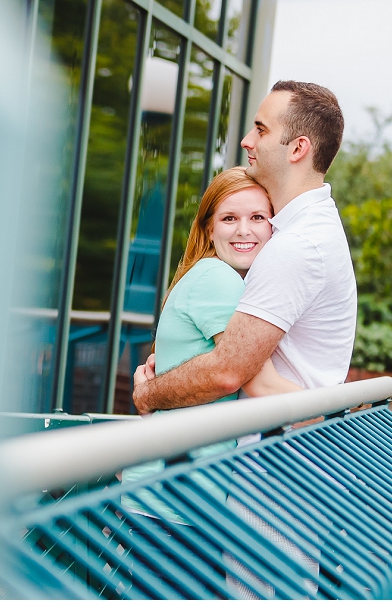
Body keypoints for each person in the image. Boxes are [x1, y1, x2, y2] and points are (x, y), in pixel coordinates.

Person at [132, 80, 356, 412]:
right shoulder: (307, 230)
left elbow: (228, 372)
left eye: (261, 130)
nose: (246, 141)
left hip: (278, 456)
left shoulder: (296, 245)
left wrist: (149, 393)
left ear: (297, 148)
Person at [121, 166, 284, 521]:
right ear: (209, 229)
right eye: (229, 218)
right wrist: (346, 411)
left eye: (258, 216)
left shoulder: (210, 275)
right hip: (175, 500)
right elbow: (257, 384)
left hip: (172, 494)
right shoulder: (219, 279)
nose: (244, 230)